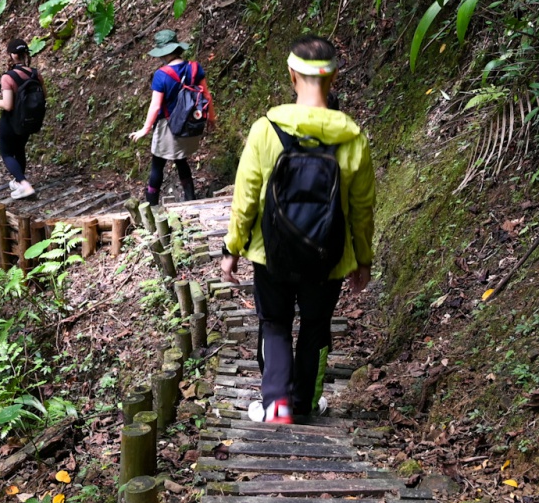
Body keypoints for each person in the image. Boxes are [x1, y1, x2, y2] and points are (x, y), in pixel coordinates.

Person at [219, 36, 375, 424]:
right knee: (316, 326)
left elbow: (247, 197)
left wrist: (232, 247)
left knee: (274, 322)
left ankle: (276, 404)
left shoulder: (265, 129)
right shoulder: (353, 137)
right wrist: (362, 258)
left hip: (270, 252)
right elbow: (362, 208)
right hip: (329, 257)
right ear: (334, 77)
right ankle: (305, 401)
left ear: (291, 75)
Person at [127, 34, 212, 204]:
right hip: (191, 125)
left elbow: (156, 106)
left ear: (164, 52)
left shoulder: (161, 75)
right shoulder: (194, 68)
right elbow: (207, 96)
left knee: (157, 163)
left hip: (169, 127)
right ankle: (191, 199)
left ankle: (151, 206)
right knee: (181, 160)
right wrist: (212, 119)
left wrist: (145, 128)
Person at [0, 38, 42, 199]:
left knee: (7, 153)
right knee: (19, 150)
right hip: (28, 120)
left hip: (11, 121)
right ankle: (19, 182)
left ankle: (25, 185)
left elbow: (8, 105)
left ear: (12, 55)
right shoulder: (35, 73)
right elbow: (44, 95)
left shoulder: (8, 77)